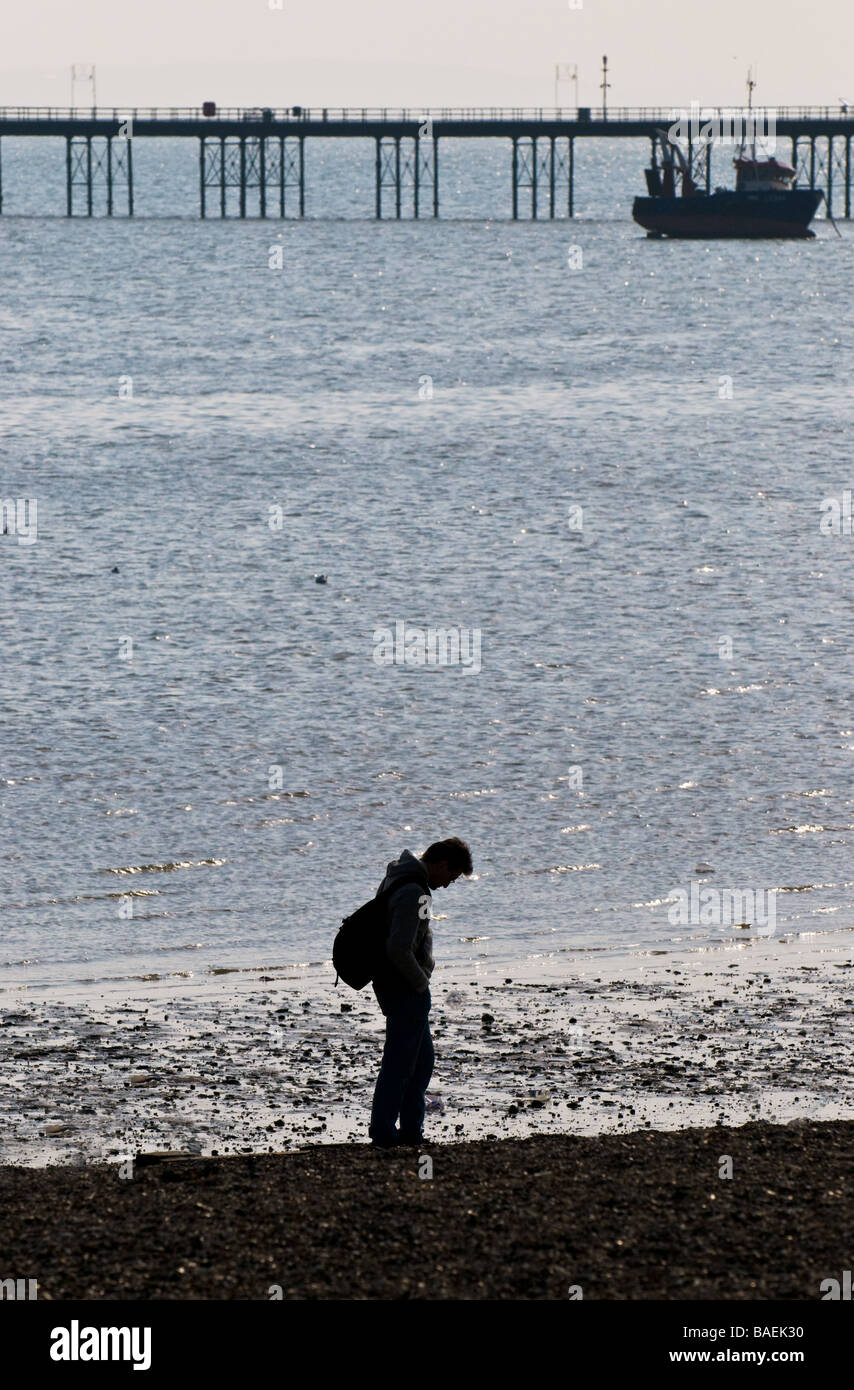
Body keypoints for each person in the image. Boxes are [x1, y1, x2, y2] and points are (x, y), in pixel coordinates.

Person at [369, 837, 473, 1150]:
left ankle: (412, 1132)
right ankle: (384, 1134)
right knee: (400, 1065)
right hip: (404, 988)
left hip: (401, 985)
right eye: (451, 877)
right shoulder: (414, 891)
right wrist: (420, 982)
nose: (449, 884)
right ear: (441, 865)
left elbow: (412, 939)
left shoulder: (401, 878)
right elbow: (399, 948)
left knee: (422, 1062)